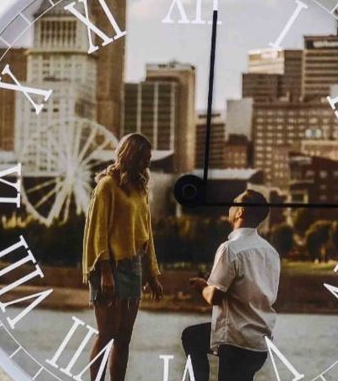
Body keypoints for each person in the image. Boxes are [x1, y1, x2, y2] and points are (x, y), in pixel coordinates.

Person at [82, 133, 164, 381]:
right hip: (109, 267)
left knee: (124, 338)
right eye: (143, 158)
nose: (147, 163)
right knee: (106, 334)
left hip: (134, 266)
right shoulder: (107, 185)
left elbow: (146, 234)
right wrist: (106, 273)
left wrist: (152, 273)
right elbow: (98, 231)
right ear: (130, 155)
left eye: (149, 158)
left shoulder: (140, 189)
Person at [182, 190, 281, 381]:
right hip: (259, 343)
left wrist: (202, 286)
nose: (230, 206)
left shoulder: (230, 248)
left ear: (240, 211)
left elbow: (214, 297)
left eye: (234, 203)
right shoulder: (271, 252)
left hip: (235, 341)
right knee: (193, 336)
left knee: (191, 337)